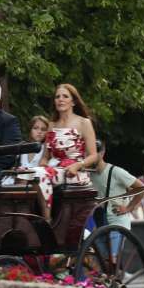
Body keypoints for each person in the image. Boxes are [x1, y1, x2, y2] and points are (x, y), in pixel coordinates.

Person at [33, 84, 97, 218]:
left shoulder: (84, 123)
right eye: (57, 97)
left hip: (74, 172)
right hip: (54, 170)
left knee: (39, 175)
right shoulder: (51, 125)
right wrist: (42, 165)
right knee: (23, 174)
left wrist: (78, 165)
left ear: (73, 101)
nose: (60, 99)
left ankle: (47, 219)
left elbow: (93, 156)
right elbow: (45, 157)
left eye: (65, 96)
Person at [91, 139, 144, 259]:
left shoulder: (116, 172)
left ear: (102, 153)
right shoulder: (89, 174)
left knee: (112, 259)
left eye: (95, 152)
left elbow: (141, 188)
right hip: (100, 221)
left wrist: (128, 208)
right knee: (103, 261)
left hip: (117, 222)